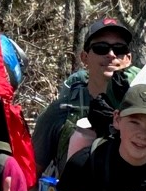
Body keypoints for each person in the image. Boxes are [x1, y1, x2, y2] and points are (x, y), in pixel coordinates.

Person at [32, 17, 137, 177]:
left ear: (128, 59)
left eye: (119, 49)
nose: (111, 54)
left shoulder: (143, 108)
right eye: (101, 48)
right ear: (84, 57)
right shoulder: (62, 110)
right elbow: (30, 176)